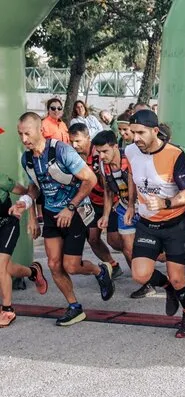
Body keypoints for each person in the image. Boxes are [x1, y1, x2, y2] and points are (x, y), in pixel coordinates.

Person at [10, 112, 115, 326]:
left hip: (75, 212)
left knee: (72, 266)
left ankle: (99, 270)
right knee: (54, 264)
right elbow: (35, 186)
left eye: (27, 133)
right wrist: (27, 207)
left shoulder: (62, 151)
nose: (24, 139)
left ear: (40, 130)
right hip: (51, 214)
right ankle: (74, 307)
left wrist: (70, 207)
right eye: (20, 134)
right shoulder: (27, 158)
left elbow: (90, 178)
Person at [126, 110, 185, 338]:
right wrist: (130, 204)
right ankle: (168, 289)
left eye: (140, 133)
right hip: (147, 223)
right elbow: (132, 176)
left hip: (175, 222)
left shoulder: (175, 154)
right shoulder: (130, 151)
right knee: (140, 275)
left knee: (178, 277)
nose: (134, 137)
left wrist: (166, 203)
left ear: (155, 131)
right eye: (132, 132)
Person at [90, 130, 153, 299]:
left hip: (145, 207)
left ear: (115, 146)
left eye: (105, 151)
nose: (101, 156)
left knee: (156, 249)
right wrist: (105, 214)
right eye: (98, 152)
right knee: (127, 247)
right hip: (125, 207)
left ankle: (173, 260)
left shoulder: (132, 159)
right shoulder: (103, 165)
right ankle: (145, 283)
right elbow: (108, 191)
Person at [68, 123, 122, 277]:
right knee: (93, 239)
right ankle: (113, 265)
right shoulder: (72, 156)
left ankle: (144, 259)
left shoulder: (100, 154)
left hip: (110, 201)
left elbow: (108, 185)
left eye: (78, 141)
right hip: (90, 203)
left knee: (115, 241)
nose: (74, 145)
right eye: (72, 141)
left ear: (87, 138)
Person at [0, 173, 48, 327]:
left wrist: (31, 217)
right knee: (7, 268)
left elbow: (27, 192)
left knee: (1, 265)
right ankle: (33, 272)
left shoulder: (1, 179)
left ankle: (8, 310)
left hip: (7, 224)